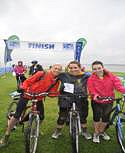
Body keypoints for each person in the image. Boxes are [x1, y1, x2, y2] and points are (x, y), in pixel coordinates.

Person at [0, 64, 62, 147]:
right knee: (17, 115)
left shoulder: (57, 80)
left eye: (59, 69)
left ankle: (36, 128)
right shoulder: (41, 73)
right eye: (55, 68)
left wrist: (59, 93)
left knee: (42, 116)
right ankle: (6, 136)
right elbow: (27, 81)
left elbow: (52, 93)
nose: (57, 70)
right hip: (27, 94)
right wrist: (23, 88)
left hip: (39, 97)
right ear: (51, 68)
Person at [51, 61, 92, 140]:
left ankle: (84, 131)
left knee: (83, 116)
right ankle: (58, 131)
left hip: (81, 97)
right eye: (71, 68)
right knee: (62, 116)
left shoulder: (86, 75)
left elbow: (99, 77)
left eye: (75, 67)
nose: (73, 69)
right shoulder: (63, 75)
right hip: (65, 97)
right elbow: (50, 78)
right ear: (68, 68)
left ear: (80, 67)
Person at [87, 60, 125, 143]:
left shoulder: (111, 76)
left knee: (105, 118)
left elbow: (118, 86)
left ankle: (102, 132)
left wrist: (124, 91)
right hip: (97, 101)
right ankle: (96, 133)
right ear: (92, 70)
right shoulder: (91, 78)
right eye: (95, 69)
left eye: (99, 68)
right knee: (97, 117)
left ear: (103, 68)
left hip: (109, 101)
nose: (97, 70)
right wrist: (95, 95)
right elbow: (91, 89)